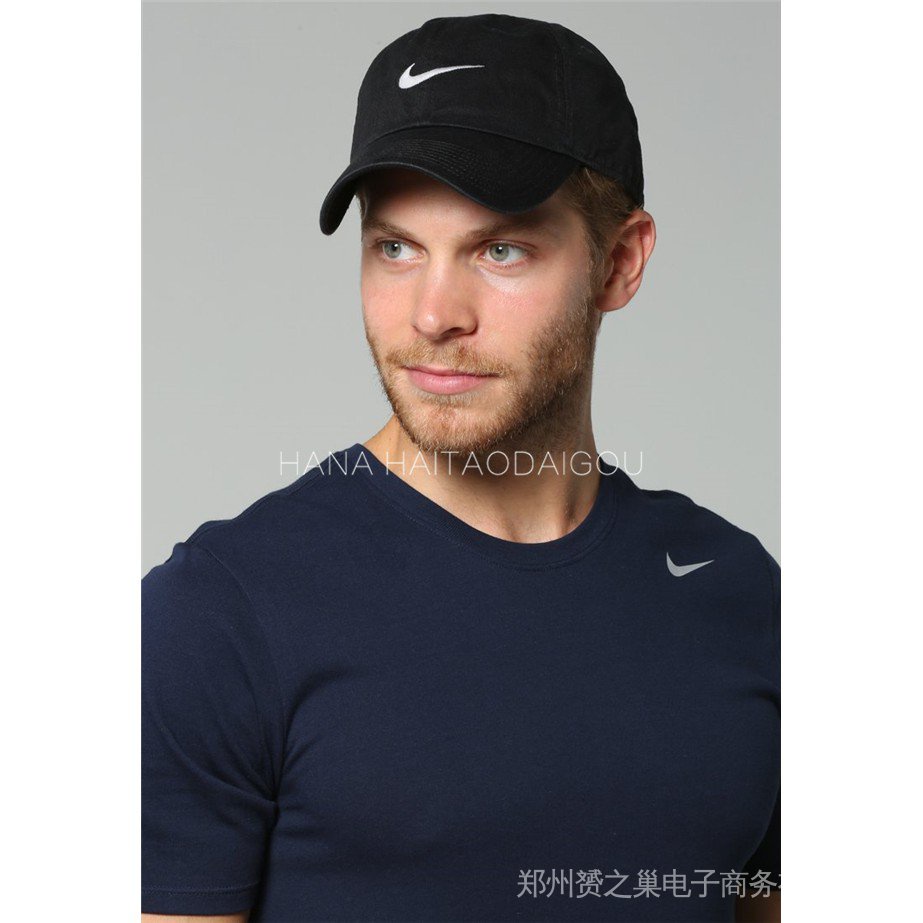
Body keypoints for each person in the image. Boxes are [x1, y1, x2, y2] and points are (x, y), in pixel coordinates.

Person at [142, 12, 780, 923]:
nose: (434, 314)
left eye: (499, 249)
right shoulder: (217, 616)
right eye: (395, 247)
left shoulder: (741, 594)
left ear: (619, 262)